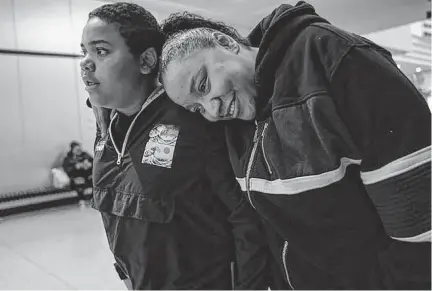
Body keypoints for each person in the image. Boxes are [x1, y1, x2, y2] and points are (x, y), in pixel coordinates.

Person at [159, 3, 431, 289]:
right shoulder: (239, 123)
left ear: (226, 43)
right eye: (196, 109)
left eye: (203, 86)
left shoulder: (332, 58)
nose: (212, 111)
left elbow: (418, 218)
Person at [80, 2, 269, 290]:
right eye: (84, 52)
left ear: (145, 61)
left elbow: (245, 216)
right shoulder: (105, 128)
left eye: (101, 51)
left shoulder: (195, 119)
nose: (86, 63)